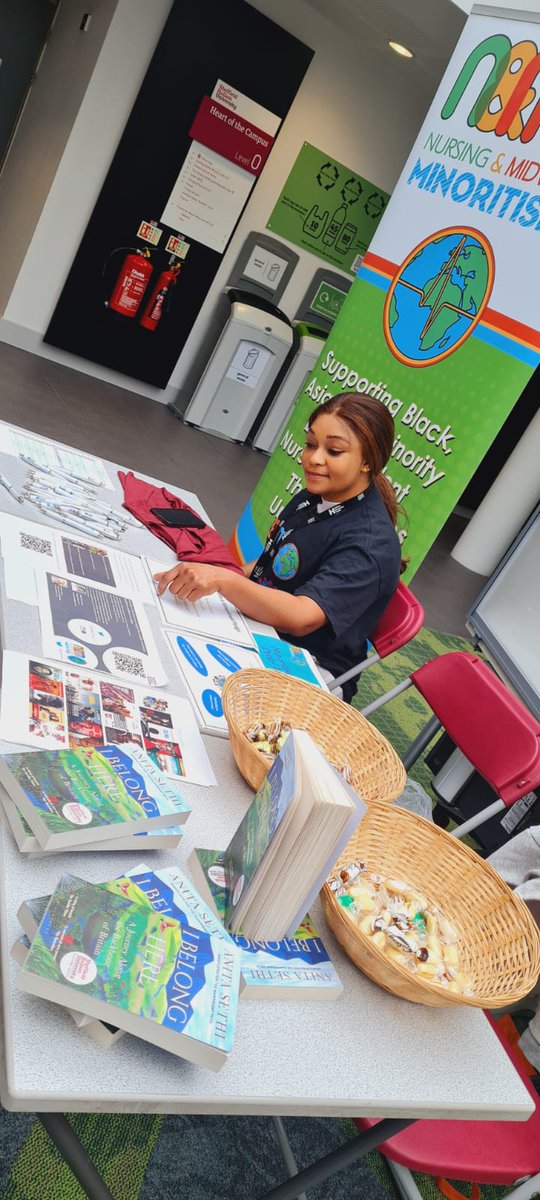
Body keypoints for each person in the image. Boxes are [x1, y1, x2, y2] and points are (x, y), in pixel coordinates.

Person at [155, 393, 404, 701]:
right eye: (311, 444)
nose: (314, 458)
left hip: (309, 665)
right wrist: (222, 575)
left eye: (334, 450)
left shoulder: (371, 543)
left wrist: (225, 581)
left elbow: (302, 617)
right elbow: (269, 561)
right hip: (261, 627)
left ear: (368, 461)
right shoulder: (312, 497)